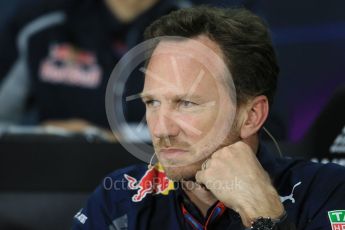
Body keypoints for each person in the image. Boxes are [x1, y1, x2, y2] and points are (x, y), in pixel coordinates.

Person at [72, 6, 345, 230]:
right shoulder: (120, 198)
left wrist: (264, 216)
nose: (161, 128)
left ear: (251, 116)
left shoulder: (327, 191)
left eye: (186, 103)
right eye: (152, 102)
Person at [0, 0, 189, 130]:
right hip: (59, 177)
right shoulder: (39, 24)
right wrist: (43, 138)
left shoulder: (197, 30)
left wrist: (116, 143)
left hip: (163, 181)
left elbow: (209, 135)